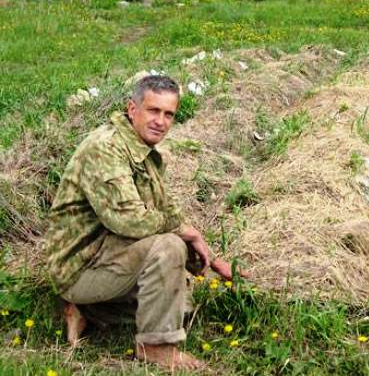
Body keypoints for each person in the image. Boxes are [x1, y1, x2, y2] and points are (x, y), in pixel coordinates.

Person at [45, 75, 242, 371]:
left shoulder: (143, 152)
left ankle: (89, 310)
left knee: (181, 301)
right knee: (169, 249)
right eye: (153, 110)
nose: (161, 121)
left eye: (169, 114)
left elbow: (165, 210)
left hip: (110, 253)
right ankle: (155, 347)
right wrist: (186, 234)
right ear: (132, 109)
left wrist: (211, 258)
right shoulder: (106, 148)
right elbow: (128, 219)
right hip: (81, 265)